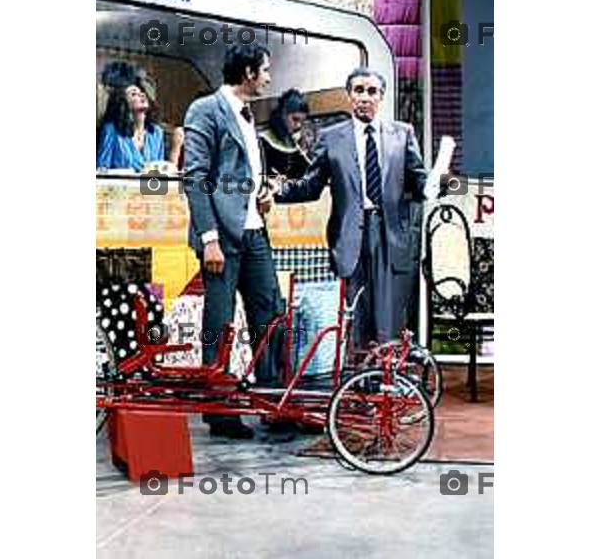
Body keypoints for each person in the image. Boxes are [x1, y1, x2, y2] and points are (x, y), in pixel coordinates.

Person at [275, 67, 447, 348]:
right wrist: (278, 191)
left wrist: (439, 183)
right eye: (358, 91)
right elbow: (311, 185)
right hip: (350, 237)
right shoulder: (331, 137)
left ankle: (388, 384)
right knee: (356, 321)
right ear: (349, 96)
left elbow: (418, 181)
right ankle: (357, 386)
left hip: (391, 236)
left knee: (389, 321)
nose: (364, 97)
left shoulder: (402, 134)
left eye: (371, 91)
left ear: (381, 96)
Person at [183, 42, 283, 439]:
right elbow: (194, 177)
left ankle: (274, 403)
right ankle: (220, 414)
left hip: (255, 232)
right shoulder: (205, 109)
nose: (269, 77)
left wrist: (264, 192)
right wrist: (209, 239)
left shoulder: (248, 116)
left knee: (270, 314)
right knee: (220, 323)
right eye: (266, 70)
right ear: (248, 73)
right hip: (221, 237)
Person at [96, 63, 166, 171]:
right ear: (124, 103)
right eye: (134, 94)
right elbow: (102, 169)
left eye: (142, 92)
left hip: (148, 187)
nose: (142, 95)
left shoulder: (156, 133)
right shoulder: (112, 130)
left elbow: (160, 169)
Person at [259, 88, 310, 179]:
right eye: (295, 119)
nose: (298, 125)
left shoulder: (293, 144)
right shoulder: (263, 142)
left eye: (302, 121)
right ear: (282, 115)